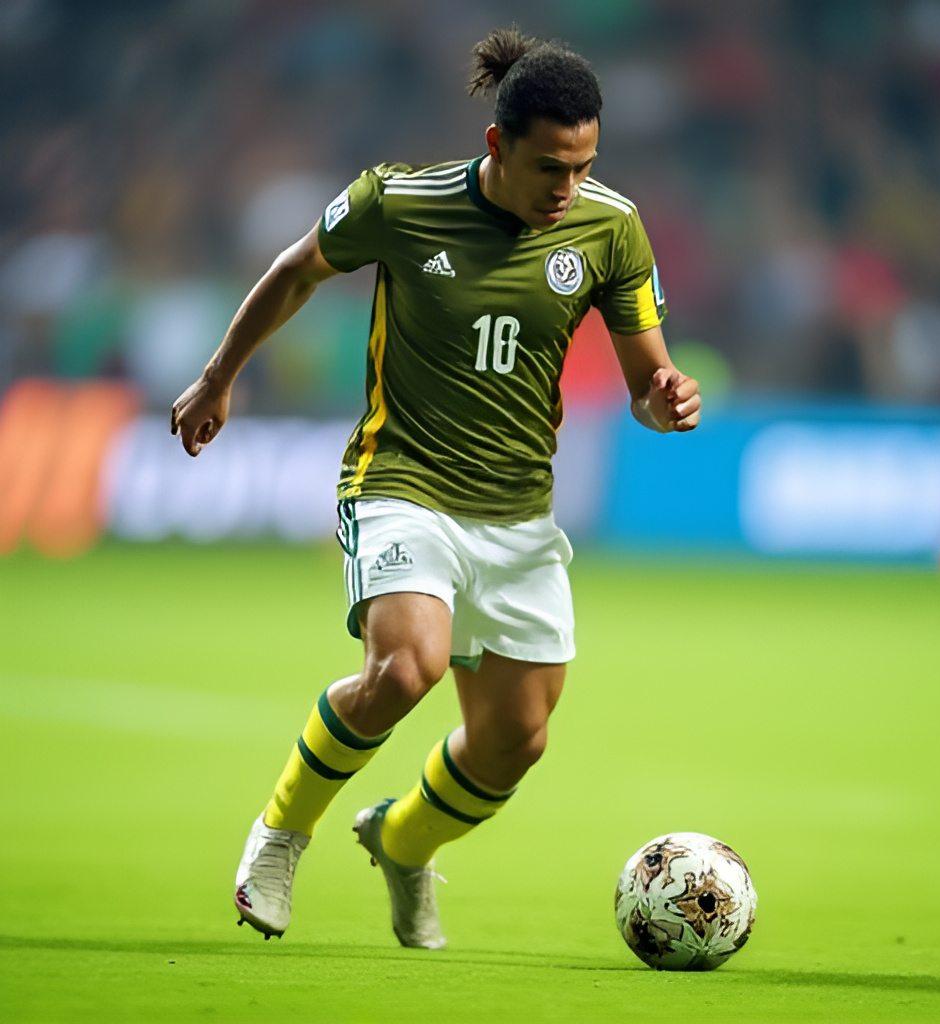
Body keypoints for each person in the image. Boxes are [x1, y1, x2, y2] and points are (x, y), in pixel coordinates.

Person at [170, 27, 700, 950]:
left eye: (583, 166)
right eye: (549, 168)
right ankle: (281, 834)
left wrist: (666, 401)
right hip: (401, 480)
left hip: (520, 511)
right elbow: (296, 272)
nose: (567, 188)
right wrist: (219, 378)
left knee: (515, 742)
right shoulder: (399, 201)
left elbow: (646, 386)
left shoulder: (610, 226)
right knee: (405, 668)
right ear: (498, 144)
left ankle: (403, 841)